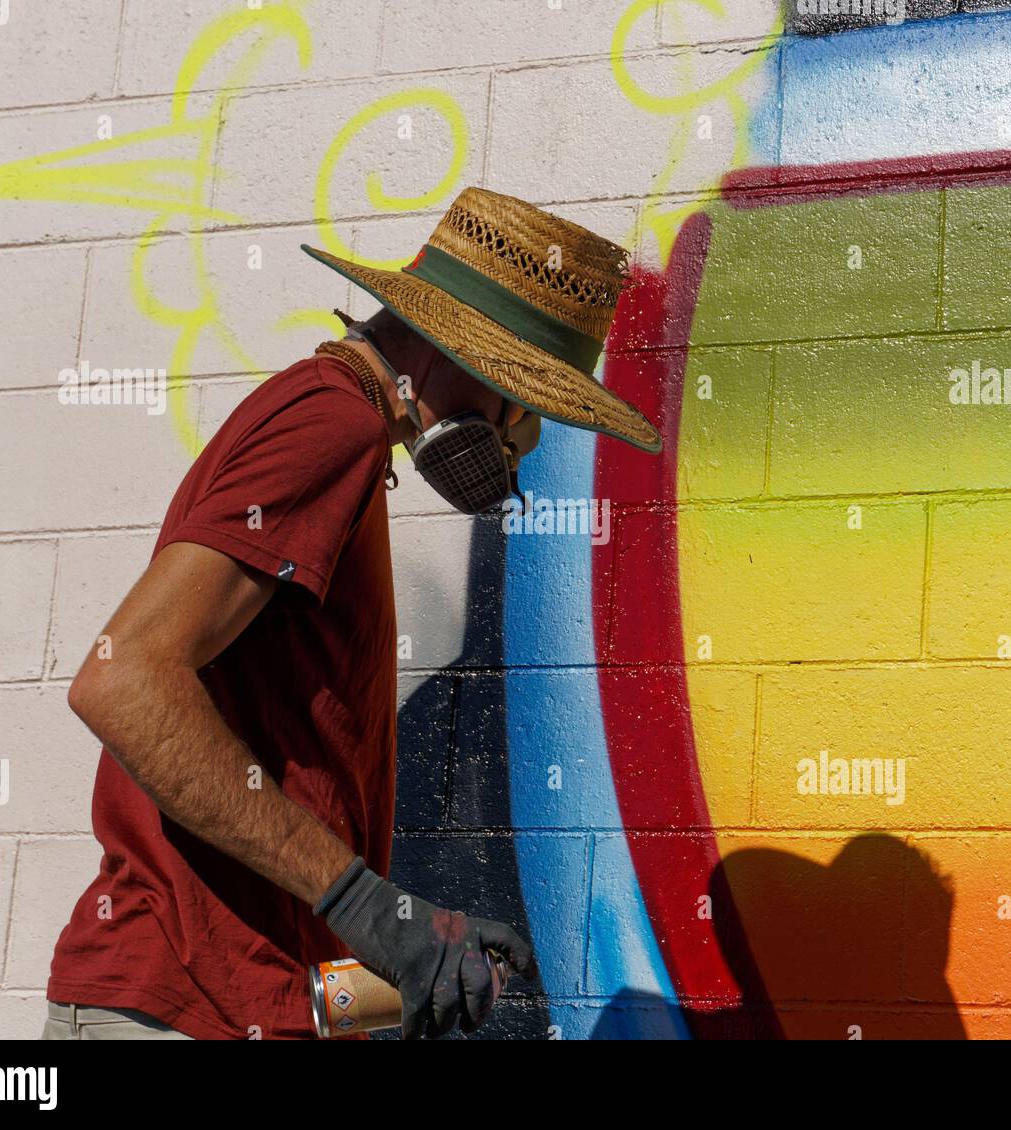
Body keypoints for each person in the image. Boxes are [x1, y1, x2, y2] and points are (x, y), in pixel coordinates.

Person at [43, 186, 661, 1040]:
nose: (523, 444)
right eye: (528, 407)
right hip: (174, 1005)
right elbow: (123, 680)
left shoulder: (344, 434)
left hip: (227, 1003)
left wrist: (402, 932)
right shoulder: (330, 425)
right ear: (467, 360)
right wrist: (366, 905)